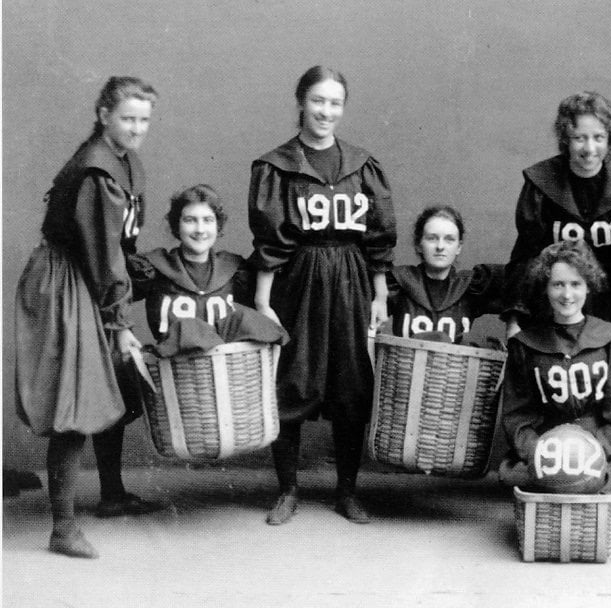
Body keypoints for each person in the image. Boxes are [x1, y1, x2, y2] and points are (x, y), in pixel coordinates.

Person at [14, 76, 164, 558]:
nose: (137, 128)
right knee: (76, 401)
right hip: (66, 281)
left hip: (90, 274)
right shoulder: (98, 169)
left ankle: (113, 494)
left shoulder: (122, 159)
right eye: (128, 118)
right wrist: (119, 324)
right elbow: (103, 256)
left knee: (114, 384)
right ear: (103, 115)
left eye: (144, 119)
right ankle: (62, 528)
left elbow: (120, 245)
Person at [248, 66, 397, 526]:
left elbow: (377, 236)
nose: (325, 112)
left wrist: (379, 295)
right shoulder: (276, 166)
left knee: (351, 381)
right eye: (317, 101)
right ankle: (288, 490)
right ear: (300, 103)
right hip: (299, 280)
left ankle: (347, 492)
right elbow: (270, 242)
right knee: (292, 377)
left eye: (335, 103)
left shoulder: (362, 164)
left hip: (351, 278)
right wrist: (262, 301)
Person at [502, 91, 611, 515]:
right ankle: (559, 469)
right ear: (564, 140)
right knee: (559, 385)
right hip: (560, 297)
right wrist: (515, 314)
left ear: (610, 140)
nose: (589, 149)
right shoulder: (541, 185)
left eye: (599, 138)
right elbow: (527, 250)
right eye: (580, 138)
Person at [499, 240, 611, 498]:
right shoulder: (525, 344)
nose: (567, 295)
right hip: (546, 445)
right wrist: (538, 452)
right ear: (545, 288)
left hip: (601, 446)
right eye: (558, 284)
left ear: (588, 286)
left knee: (600, 478)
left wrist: (593, 451)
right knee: (526, 477)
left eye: (575, 284)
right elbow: (517, 414)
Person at [128, 184, 254, 341]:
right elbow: (114, 294)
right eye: (190, 220)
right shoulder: (153, 268)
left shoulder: (235, 270)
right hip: (172, 363)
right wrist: (123, 331)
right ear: (177, 225)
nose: (200, 229)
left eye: (208, 220)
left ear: (218, 225)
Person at [387, 205, 504, 344]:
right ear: (419, 245)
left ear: (458, 247)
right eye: (432, 238)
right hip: (404, 364)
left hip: (456, 365)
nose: (440, 246)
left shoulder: (470, 287)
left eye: (449, 239)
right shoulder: (399, 281)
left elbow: (521, 283)